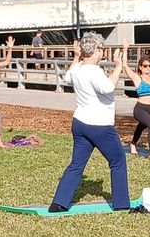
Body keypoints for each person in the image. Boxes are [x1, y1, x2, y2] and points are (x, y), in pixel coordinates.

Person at [49, 32, 130, 212]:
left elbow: (67, 77)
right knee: (117, 160)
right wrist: (118, 66)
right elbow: (108, 88)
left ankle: (58, 203)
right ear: (94, 50)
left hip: (80, 124)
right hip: (99, 125)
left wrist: (76, 56)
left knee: (77, 164)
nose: (102, 52)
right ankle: (122, 204)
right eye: (101, 48)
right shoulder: (94, 71)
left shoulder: (77, 67)